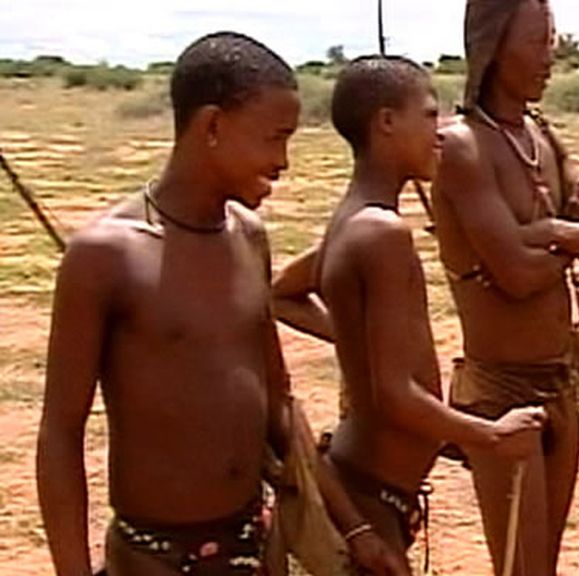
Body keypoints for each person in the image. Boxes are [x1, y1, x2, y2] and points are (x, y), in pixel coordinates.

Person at [36, 32, 342, 575]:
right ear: (213, 127)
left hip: (257, 549)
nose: (284, 162)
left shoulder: (249, 237)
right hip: (154, 560)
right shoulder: (106, 256)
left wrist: (351, 527)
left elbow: (278, 402)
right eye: (274, 138)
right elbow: (61, 435)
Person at [271, 56, 546, 573]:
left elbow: (282, 293)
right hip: (370, 495)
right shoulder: (382, 233)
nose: (441, 132)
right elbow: (396, 396)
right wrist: (490, 435)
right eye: (428, 115)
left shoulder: (349, 222)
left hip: (372, 488)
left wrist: (355, 344)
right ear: (386, 123)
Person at [429, 1, 579, 573]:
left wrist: (544, 233)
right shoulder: (461, 146)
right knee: (522, 567)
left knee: (545, 564)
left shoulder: (541, 135)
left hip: (561, 379)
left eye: (552, 39)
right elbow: (512, 276)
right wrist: (568, 235)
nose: (550, 56)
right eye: (537, 41)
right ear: (490, 46)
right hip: (501, 392)